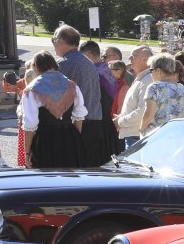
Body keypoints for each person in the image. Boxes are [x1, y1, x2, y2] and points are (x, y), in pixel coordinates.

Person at [54, 25, 109, 167]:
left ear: (61, 41)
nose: (53, 44)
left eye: (54, 40)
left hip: (76, 124)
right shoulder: (87, 62)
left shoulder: (63, 64)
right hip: (94, 122)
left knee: (72, 169)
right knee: (89, 169)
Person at [21, 51, 85, 168]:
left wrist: (27, 152)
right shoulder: (72, 86)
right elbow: (79, 117)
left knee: (47, 176)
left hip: (45, 139)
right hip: (70, 136)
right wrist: (76, 140)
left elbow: (30, 124)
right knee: (71, 175)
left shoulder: (31, 90)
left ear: (36, 66)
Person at [140, 54, 184, 134]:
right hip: (177, 134)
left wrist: (141, 129)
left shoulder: (154, 87)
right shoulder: (182, 88)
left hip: (157, 135)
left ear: (159, 71)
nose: (150, 73)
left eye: (151, 70)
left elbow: (149, 114)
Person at [114, 45, 154, 149]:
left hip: (137, 137)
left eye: (133, 56)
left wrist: (120, 121)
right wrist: (121, 117)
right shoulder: (142, 78)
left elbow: (143, 111)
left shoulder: (148, 80)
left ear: (145, 59)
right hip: (134, 135)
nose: (129, 58)